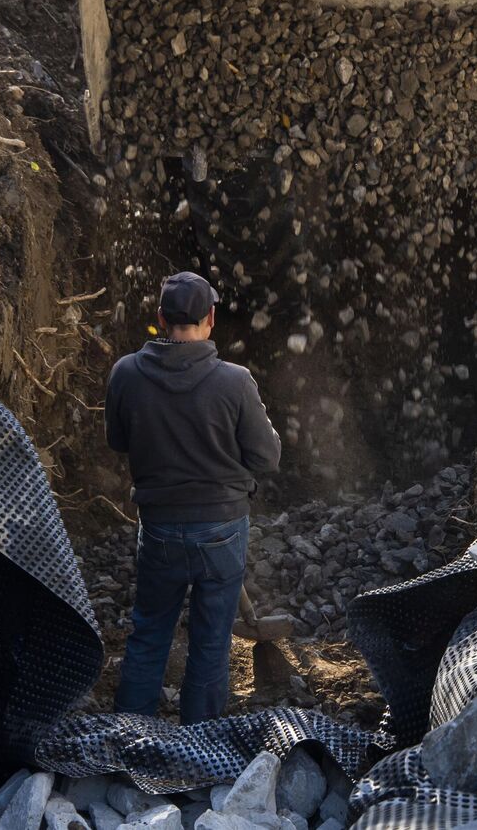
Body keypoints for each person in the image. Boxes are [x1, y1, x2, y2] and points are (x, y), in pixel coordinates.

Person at [106, 271, 281, 723]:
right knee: (211, 640)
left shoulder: (126, 374)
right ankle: (199, 744)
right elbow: (267, 458)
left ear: (162, 318)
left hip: (160, 527)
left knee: (148, 634)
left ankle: (129, 739)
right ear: (211, 319)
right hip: (222, 528)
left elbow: (118, 441)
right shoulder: (236, 382)